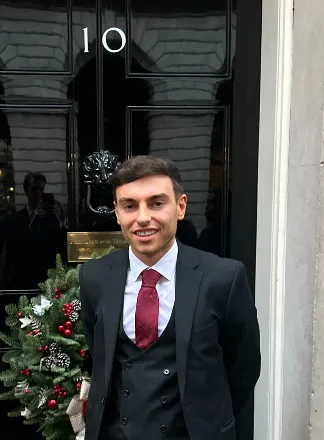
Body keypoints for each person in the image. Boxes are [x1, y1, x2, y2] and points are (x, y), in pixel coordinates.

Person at [79, 156, 260, 440]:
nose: (142, 218)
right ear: (116, 212)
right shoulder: (94, 277)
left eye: (156, 203)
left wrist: (210, 420)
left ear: (181, 207)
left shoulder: (223, 278)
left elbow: (244, 367)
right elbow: (97, 352)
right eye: (129, 206)